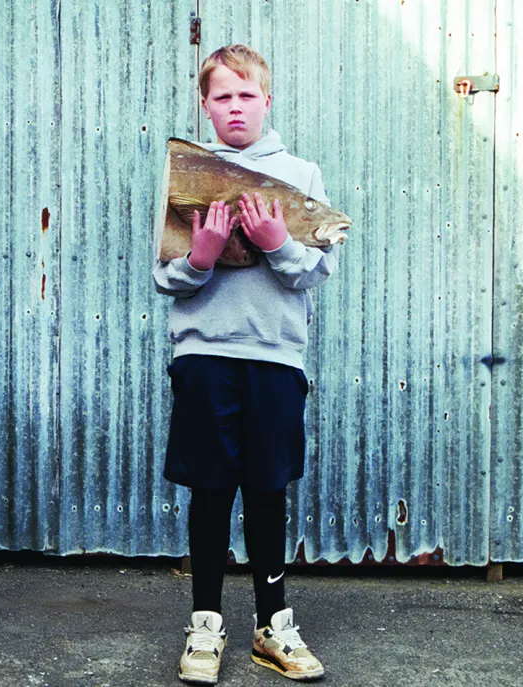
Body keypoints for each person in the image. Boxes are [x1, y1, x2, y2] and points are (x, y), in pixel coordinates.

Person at [154, 44, 339, 684]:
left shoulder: (300, 175)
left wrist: (277, 242)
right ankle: (205, 624)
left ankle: (273, 625)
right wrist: (201, 257)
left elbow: (314, 273)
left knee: (267, 491)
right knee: (210, 491)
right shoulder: (189, 174)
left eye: (246, 95)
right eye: (222, 96)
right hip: (204, 355)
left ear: (268, 99)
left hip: (275, 359)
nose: (235, 107)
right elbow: (166, 278)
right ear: (205, 105)